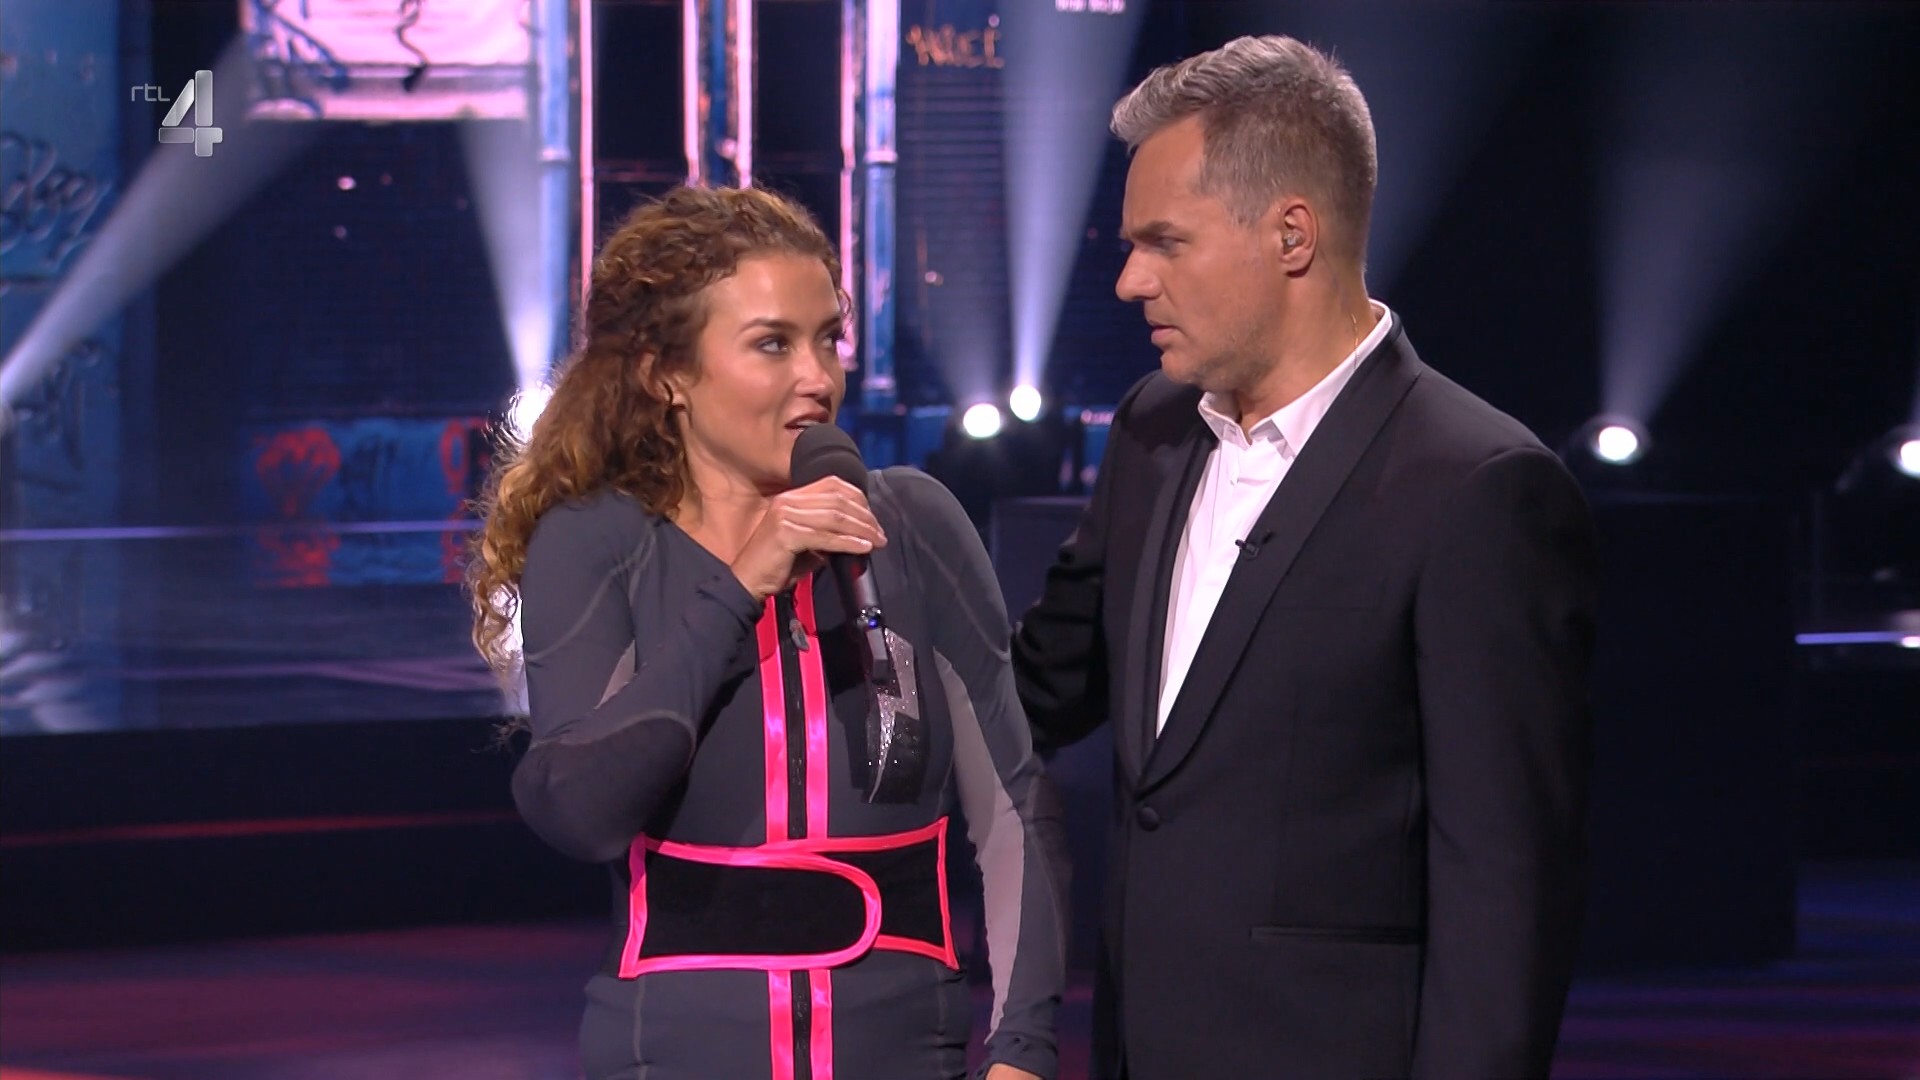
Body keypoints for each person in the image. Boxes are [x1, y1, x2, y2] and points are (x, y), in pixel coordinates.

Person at [1010, 35, 1600, 1079]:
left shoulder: (1476, 486)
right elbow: (1039, 688)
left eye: (1165, 243)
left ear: (1291, 235)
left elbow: (1503, 891)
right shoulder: (1152, 430)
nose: (1129, 280)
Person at [469, 185, 1068, 1080]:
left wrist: (1022, 1052)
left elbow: (1013, 808)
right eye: (773, 344)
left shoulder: (915, 526)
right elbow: (581, 810)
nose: (818, 377)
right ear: (666, 374)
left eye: (828, 338)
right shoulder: (601, 540)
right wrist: (741, 584)